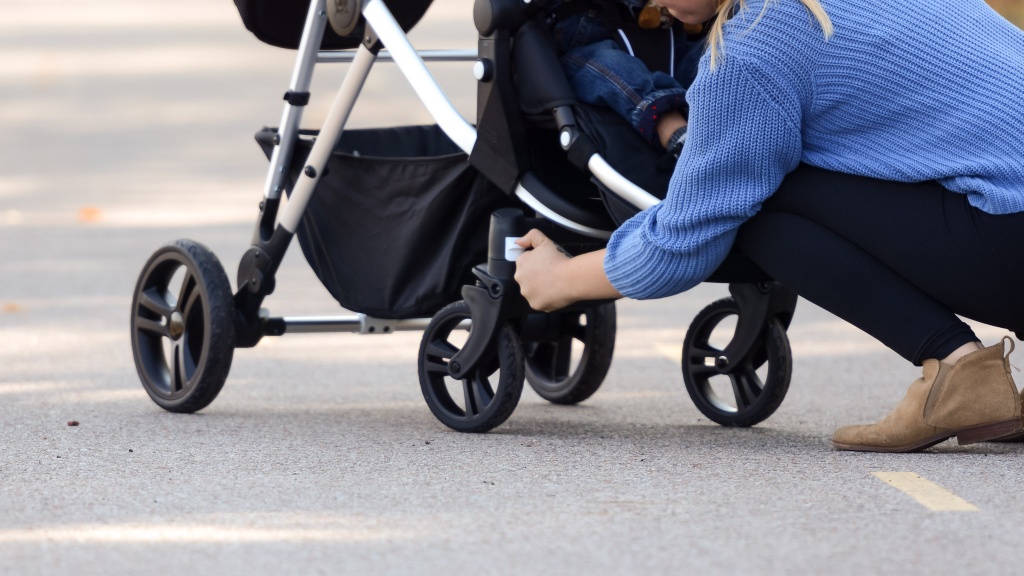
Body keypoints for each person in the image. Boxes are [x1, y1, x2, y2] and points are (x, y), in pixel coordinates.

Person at [514, 0, 1024, 452]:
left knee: (751, 197)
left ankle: (956, 370)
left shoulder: (754, 48)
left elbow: (684, 240)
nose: (651, 8)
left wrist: (561, 280)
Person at [550, 0, 706, 157]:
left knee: (716, 52)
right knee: (612, 65)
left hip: (668, 38)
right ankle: (674, 129)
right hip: (591, 45)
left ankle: (725, 116)